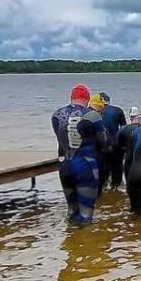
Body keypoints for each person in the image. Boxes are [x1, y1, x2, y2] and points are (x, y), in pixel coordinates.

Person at [51, 84, 107, 225]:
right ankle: (84, 238)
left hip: (64, 165)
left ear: (71, 98)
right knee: (86, 213)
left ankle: (70, 236)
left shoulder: (56, 115)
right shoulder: (92, 115)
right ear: (87, 99)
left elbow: (60, 137)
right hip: (85, 165)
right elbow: (104, 141)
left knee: (71, 210)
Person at [95, 93, 127, 190]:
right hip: (116, 145)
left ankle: (104, 188)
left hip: (101, 146)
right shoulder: (118, 110)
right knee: (117, 170)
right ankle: (116, 188)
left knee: (103, 170)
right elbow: (123, 129)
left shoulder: (95, 112)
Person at [119, 107, 141, 184]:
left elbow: (119, 145)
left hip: (128, 156)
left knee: (129, 181)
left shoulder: (123, 129)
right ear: (140, 117)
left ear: (130, 118)